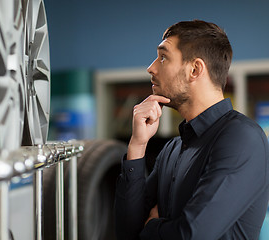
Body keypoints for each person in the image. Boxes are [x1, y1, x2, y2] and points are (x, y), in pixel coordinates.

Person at [114, 20, 269, 240]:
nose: (151, 67)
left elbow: (192, 235)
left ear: (195, 69)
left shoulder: (242, 138)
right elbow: (126, 233)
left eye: (163, 57)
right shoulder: (173, 149)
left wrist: (150, 227)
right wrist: (137, 146)